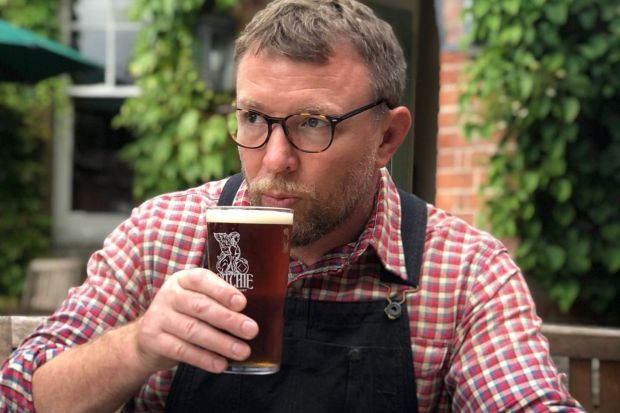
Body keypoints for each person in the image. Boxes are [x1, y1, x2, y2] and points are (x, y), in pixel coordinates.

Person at [1, 0, 584, 412]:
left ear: (387, 138)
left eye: (313, 124)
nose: (274, 159)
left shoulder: (464, 270)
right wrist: (137, 346)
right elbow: (23, 396)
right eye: (254, 118)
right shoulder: (161, 234)